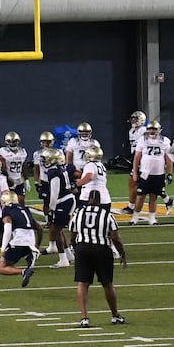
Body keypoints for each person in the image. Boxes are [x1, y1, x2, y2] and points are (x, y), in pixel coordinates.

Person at [69, 190, 127, 328]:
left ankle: (84, 318)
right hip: (102, 249)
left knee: (83, 284)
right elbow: (115, 238)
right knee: (107, 284)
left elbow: (72, 232)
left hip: (83, 248)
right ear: (100, 201)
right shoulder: (107, 215)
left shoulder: (79, 213)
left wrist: (75, 246)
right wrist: (122, 253)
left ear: (88, 199)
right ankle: (114, 315)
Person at [0, 190, 40, 293]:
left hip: (19, 241)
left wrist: (3, 249)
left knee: (2, 267)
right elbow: (39, 228)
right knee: (1, 264)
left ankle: (23, 271)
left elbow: (8, 230)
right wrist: (37, 245)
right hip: (30, 241)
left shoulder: (7, 210)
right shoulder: (25, 209)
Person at [39, 148, 78, 267]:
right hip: (67, 199)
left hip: (62, 201)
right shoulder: (60, 168)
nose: (44, 161)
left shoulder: (53, 172)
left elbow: (54, 192)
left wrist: (52, 207)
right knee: (58, 229)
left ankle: (63, 260)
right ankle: (68, 255)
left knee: (55, 230)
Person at [129, 121, 170, 224]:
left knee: (154, 196)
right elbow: (137, 157)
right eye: (150, 129)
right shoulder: (142, 140)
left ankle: (152, 218)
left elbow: (169, 158)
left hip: (159, 173)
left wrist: (169, 173)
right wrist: (134, 172)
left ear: (159, 130)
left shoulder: (164, 141)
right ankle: (135, 217)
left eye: (154, 129)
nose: (152, 131)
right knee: (141, 196)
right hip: (145, 172)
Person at [0, 131, 29, 206]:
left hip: (19, 180)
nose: (12, 143)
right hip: (7, 180)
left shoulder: (22, 151)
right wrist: (7, 179)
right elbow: (2, 166)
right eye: (10, 141)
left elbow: (24, 166)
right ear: (7, 142)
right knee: (6, 202)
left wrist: (26, 179)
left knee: (21, 202)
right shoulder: (3, 151)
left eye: (14, 141)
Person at [77, 141, 110, 208]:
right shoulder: (101, 165)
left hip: (91, 198)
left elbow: (89, 177)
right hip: (105, 198)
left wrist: (77, 184)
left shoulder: (90, 165)